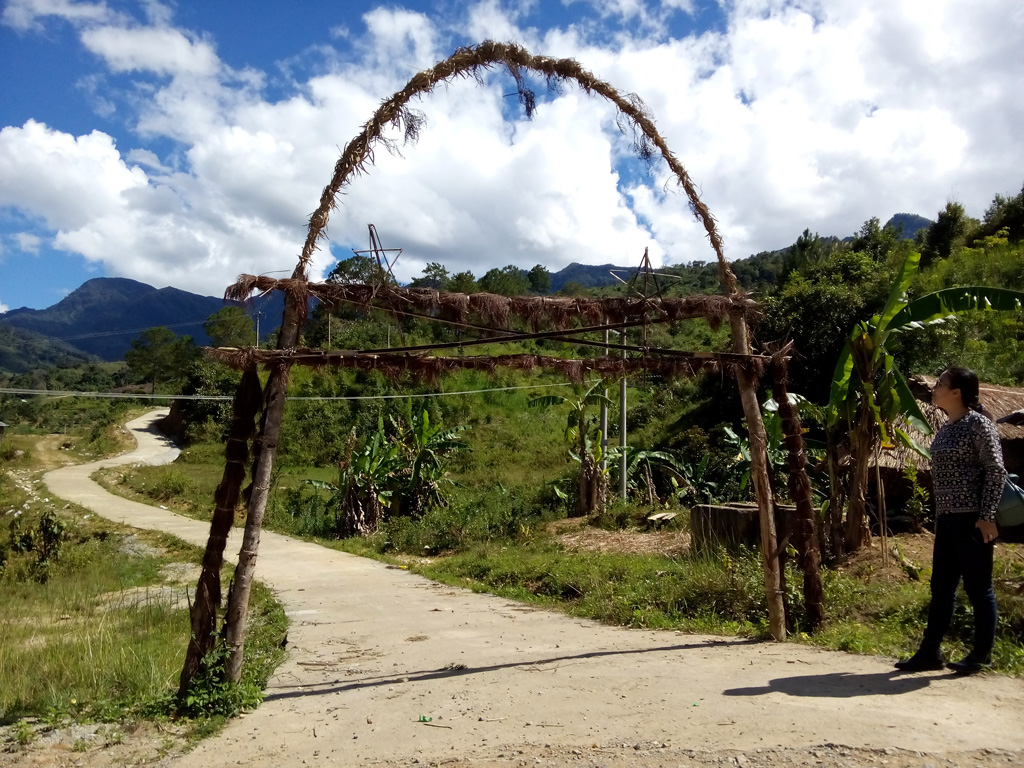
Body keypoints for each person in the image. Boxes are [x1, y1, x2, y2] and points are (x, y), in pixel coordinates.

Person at [894, 367, 1005, 674]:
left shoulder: (979, 425)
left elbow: (996, 471)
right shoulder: (945, 428)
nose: (936, 387)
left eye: (941, 383)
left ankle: (982, 654)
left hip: (973, 519)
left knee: (978, 586)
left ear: (956, 392)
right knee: (941, 586)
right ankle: (930, 652)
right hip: (947, 519)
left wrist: (986, 517)